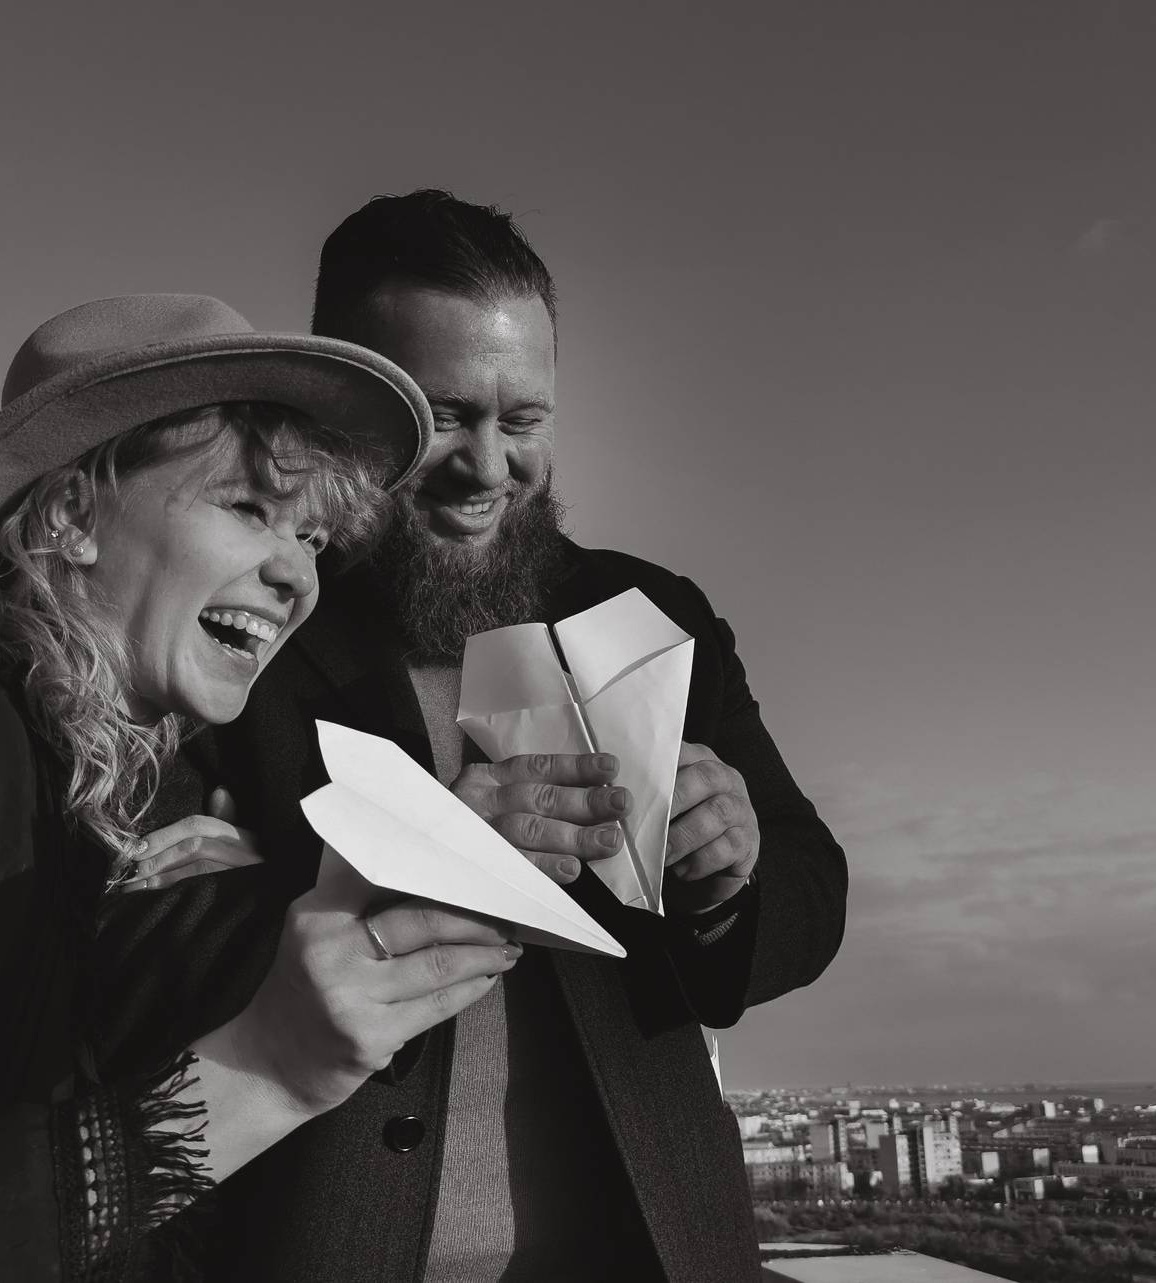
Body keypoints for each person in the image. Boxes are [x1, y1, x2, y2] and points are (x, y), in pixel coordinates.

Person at [95, 196, 849, 1281]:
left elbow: (813, 890)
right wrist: (417, 857)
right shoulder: (241, 616)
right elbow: (127, 940)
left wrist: (730, 876)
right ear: (349, 402)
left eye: (523, 419)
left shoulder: (652, 614)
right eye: (447, 416)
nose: (489, 467)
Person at [0, 293, 526, 1281]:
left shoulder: (62, 791)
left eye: (314, 539)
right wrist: (267, 1069)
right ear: (71, 514)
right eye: (249, 508)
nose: (298, 577)